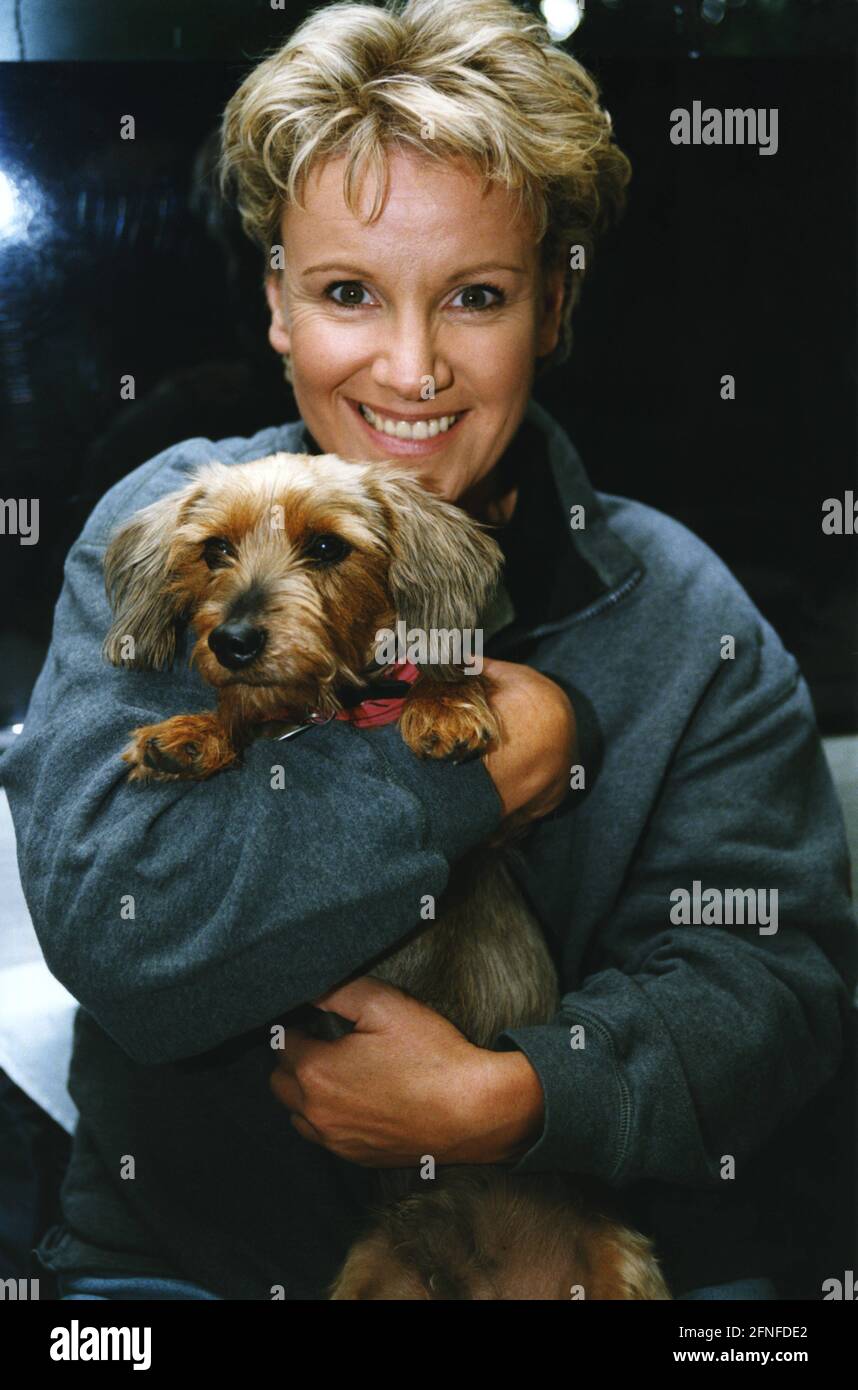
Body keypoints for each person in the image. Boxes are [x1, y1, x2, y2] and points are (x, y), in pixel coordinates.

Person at [2, 0, 855, 1302]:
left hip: (569, 1242)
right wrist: (471, 770)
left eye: (475, 296)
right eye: (348, 292)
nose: (411, 370)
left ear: (552, 305)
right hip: (196, 1262)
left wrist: (510, 1097)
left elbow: (777, 986)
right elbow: (133, 950)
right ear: (279, 304)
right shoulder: (180, 535)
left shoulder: (687, 614)